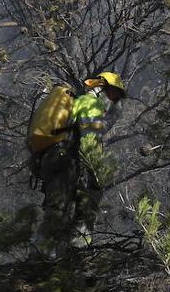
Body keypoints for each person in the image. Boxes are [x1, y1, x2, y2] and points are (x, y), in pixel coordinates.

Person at [38, 71, 125, 249]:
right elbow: (89, 136)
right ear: (100, 88)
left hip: (56, 162)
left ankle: (43, 258)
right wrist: (95, 174)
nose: (113, 101)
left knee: (55, 214)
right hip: (68, 164)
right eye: (112, 95)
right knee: (84, 207)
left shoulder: (79, 103)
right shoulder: (90, 102)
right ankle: (73, 256)